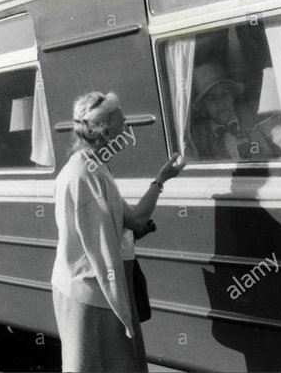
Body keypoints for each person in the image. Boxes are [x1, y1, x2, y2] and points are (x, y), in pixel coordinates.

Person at [51, 91, 186, 372]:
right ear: (106, 129)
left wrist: (161, 180)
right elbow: (98, 247)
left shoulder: (95, 168)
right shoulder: (84, 175)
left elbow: (134, 219)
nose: (127, 128)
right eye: (123, 122)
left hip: (99, 288)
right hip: (91, 292)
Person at [189, 62, 281, 161]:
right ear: (204, 106)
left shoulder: (253, 113)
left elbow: (278, 134)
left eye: (225, 94)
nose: (221, 103)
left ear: (232, 96)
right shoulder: (200, 137)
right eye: (212, 98)